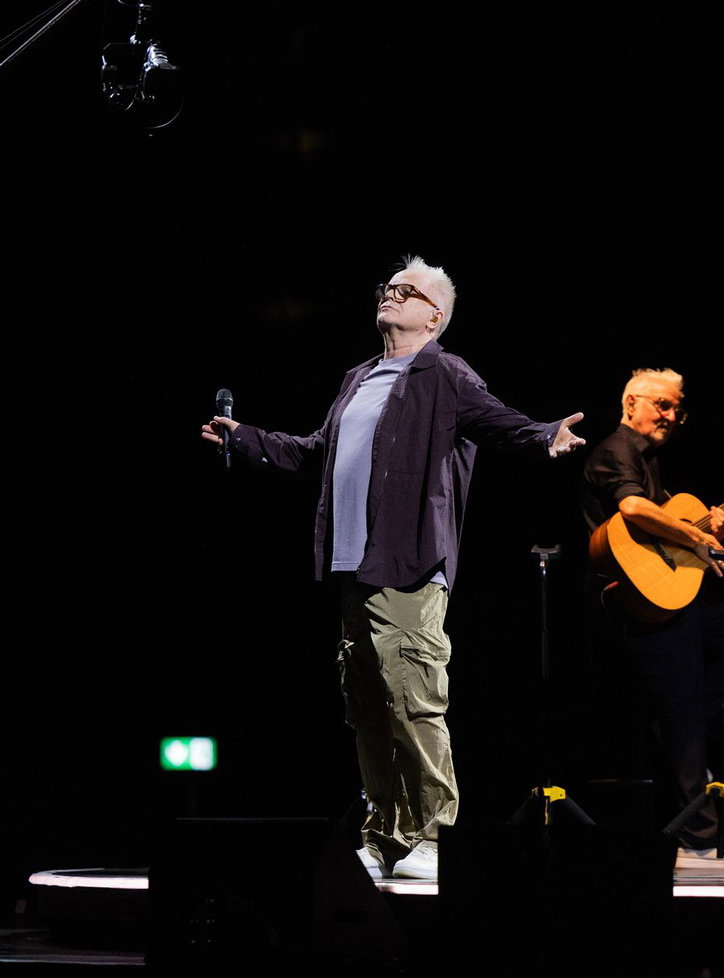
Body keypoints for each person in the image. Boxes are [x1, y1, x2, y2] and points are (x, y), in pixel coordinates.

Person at [201, 255, 585, 880]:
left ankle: (436, 835)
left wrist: (546, 434)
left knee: (413, 701)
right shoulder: (358, 377)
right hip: (354, 564)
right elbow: (317, 452)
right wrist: (245, 436)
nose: (392, 295)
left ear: (434, 317)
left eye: (408, 292)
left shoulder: (445, 373)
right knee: (369, 710)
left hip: (408, 563)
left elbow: (500, 422)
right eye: (390, 287)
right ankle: (384, 837)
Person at [580, 367, 724, 866]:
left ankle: (700, 719)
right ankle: (697, 840)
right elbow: (631, 509)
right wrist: (696, 536)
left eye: (677, 409)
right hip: (635, 603)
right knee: (682, 708)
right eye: (662, 405)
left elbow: (662, 523)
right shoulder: (616, 450)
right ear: (631, 404)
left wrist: (708, 527)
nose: (671, 416)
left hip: (672, 600)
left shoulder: (649, 461)